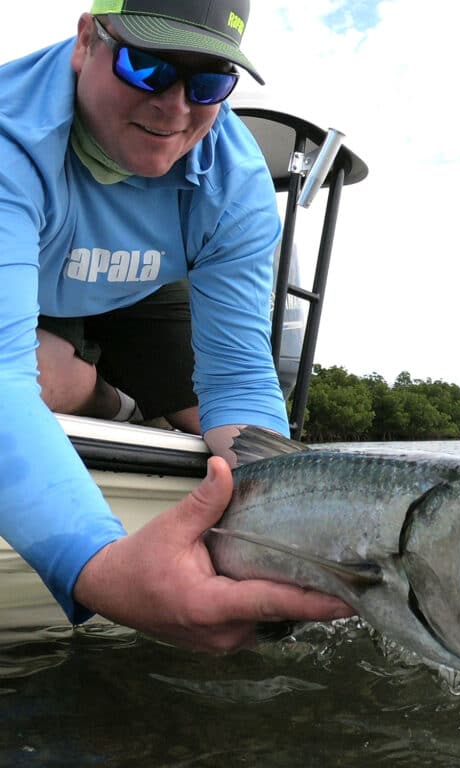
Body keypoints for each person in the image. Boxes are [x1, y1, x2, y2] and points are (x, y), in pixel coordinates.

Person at [0, 0, 353, 651]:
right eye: (147, 66)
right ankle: (105, 398)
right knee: (43, 377)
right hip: (23, 271)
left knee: (208, 422)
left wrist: (287, 540)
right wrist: (102, 569)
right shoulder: (8, 134)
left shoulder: (234, 177)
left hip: (141, 282)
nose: (175, 107)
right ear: (86, 40)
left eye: (209, 82)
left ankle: (134, 410)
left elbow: (242, 379)